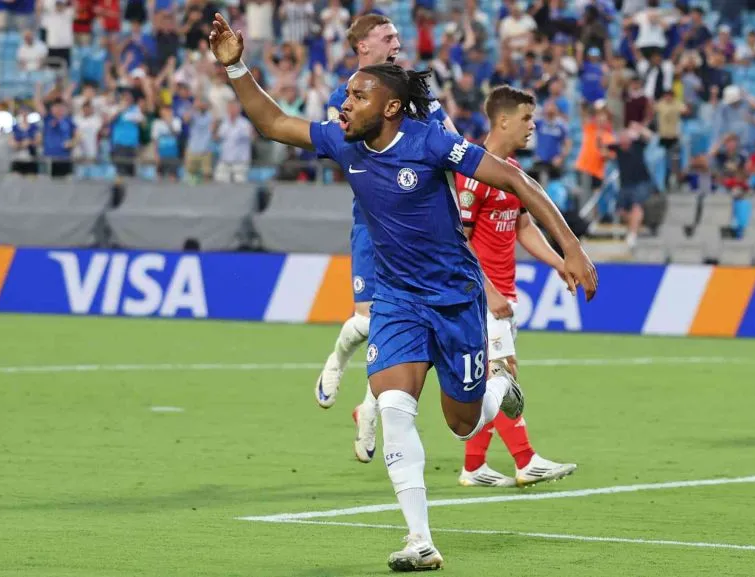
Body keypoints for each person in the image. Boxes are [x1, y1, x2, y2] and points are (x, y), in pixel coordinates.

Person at [208, 13, 598, 571]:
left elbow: (515, 178)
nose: (344, 105)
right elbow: (272, 122)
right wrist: (236, 67)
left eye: (357, 96)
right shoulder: (344, 143)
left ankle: (500, 390)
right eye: (346, 95)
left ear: (390, 108)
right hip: (397, 301)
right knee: (393, 408)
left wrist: (572, 248)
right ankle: (420, 541)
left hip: (455, 300)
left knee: (463, 422)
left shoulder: (431, 143)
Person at [315, 14, 456, 465]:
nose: (398, 42)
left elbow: (452, 139)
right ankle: (338, 361)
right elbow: (340, 147)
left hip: (421, 230)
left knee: (406, 332)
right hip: (374, 224)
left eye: (397, 35)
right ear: (364, 47)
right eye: (388, 36)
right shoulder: (346, 99)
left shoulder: (416, 92)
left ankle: (369, 410)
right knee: (368, 322)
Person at [454, 85, 577, 488]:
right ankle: (526, 461)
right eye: (526, 118)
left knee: (496, 378)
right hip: (480, 296)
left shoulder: (512, 173)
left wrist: (559, 263)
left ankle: (474, 466)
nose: (532, 126)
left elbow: (524, 227)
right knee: (503, 375)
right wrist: (488, 290)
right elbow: (459, 241)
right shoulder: (473, 173)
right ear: (503, 121)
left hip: (502, 293)